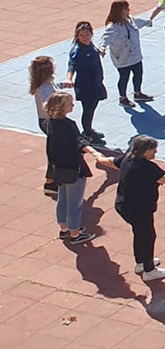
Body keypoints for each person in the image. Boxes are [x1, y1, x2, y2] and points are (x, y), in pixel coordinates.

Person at [107, 135, 165, 281]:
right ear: (146, 151)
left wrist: (96, 155)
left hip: (124, 205)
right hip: (139, 209)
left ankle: (141, 262)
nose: (156, 152)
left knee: (139, 232)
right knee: (148, 237)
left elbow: (111, 162)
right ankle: (149, 270)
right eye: (153, 150)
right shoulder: (146, 167)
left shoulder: (127, 158)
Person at [44, 92, 97, 245]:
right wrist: (93, 151)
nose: (72, 105)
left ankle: (64, 228)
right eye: (69, 103)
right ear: (61, 107)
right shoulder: (68, 124)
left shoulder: (50, 123)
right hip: (73, 167)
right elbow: (78, 141)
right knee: (75, 202)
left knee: (63, 199)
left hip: (59, 167)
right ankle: (75, 233)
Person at [100, 0, 155, 108]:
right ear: (119, 11)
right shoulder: (113, 27)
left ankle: (138, 93)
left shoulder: (130, 20)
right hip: (123, 58)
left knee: (138, 74)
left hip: (135, 55)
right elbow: (105, 38)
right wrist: (102, 48)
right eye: (126, 9)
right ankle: (122, 98)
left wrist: (149, 21)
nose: (129, 10)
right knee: (124, 77)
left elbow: (142, 22)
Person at [65, 21, 107, 143]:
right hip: (86, 86)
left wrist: (99, 51)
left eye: (87, 34)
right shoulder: (77, 50)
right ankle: (88, 135)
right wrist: (69, 78)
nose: (85, 37)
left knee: (92, 108)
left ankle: (88, 129)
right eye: (82, 35)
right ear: (77, 36)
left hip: (96, 83)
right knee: (88, 110)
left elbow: (92, 51)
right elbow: (72, 65)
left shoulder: (90, 45)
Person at [29, 56, 60, 195]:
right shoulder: (44, 88)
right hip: (50, 122)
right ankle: (50, 182)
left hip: (47, 121)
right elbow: (46, 103)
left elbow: (54, 88)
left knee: (54, 150)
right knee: (54, 152)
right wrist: (57, 102)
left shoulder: (46, 83)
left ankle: (52, 180)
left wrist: (63, 85)